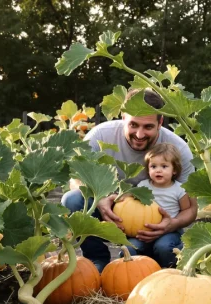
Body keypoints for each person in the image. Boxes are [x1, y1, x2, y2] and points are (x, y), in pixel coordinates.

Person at [61, 89, 198, 272]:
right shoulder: (100, 136)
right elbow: (76, 177)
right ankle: (97, 260)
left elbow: (192, 209)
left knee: (162, 248)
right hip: (111, 214)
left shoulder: (178, 149)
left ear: (160, 123)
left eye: (148, 127)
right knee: (72, 200)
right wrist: (100, 198)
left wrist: (171, 224)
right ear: (123, 117)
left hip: (158, 224)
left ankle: (156, 265)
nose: (140, 135)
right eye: (133, 125)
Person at [122, 143, 192, 266]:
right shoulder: (143, 186)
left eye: (164, 166)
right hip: (144, 231)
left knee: (164, 247)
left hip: (169, 231)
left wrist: (174, 223)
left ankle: (169, 269)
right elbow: (131, 202)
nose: (158, 170)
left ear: (174, 170)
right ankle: (141, 270)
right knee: (130, 248)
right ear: (148, 169)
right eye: (153, 166)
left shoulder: (179, 189)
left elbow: (186, 210)